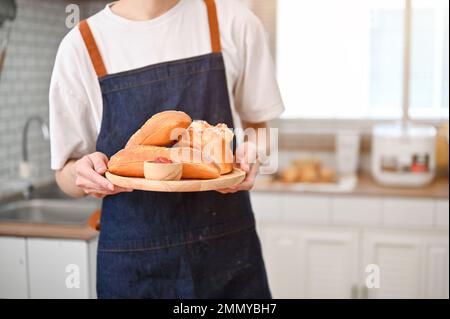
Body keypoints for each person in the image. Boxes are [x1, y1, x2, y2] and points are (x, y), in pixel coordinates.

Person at [49, 0, 284, 298]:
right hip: (134, 266)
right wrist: (82, 175)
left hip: (227, 255)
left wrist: (254, 153)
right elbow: (65, 176)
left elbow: (259, 128)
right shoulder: (80, 47)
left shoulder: (234, 22)